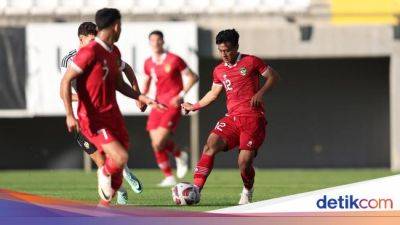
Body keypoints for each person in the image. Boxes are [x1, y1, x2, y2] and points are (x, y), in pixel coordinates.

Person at [60, 8, 165, 206]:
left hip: (113, 115)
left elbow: (119, 84)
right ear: (116, 26)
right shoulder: (88, 53)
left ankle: (104, 206)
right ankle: (104, 173)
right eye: (121, 26)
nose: (121, 29)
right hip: (92, 117)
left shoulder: (114, 52)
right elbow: (65, 82)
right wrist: (69, 115)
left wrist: (142, 96)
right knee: (118, 157)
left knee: (121, 160)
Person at [182, 29, 279, 205]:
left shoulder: (251, 61)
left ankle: (247, 190)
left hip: (252, 118)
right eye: (220, 51)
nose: (224, 54)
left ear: (236, 47)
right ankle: (196, 189)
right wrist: (194, 106)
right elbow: (213, 94)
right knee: (210, 144)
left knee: (244, 162)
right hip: (232, 118)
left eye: (227, 50)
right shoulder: (219, 70)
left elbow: (273, 76)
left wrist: (261, 93)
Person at [142, 30, 199, 187]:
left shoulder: (174, 59)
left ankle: (180, 155)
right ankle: (170, 175)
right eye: (152, 40)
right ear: (149, 43)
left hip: (173, 104)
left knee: (160, 141)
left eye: (158, 40)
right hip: (157, 104)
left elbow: (193, 76)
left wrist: (181, 94)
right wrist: (142, 96)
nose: (155, 43)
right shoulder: (148, 62)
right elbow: (147, 81)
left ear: (163, 41)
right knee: (156, 144)